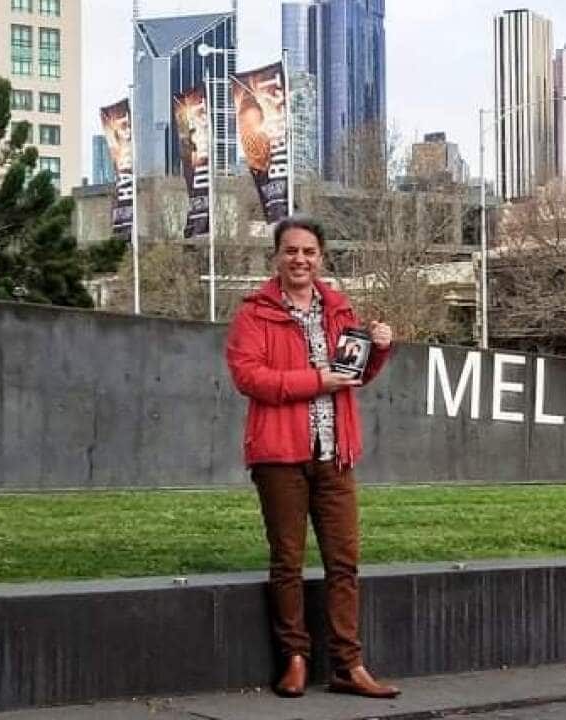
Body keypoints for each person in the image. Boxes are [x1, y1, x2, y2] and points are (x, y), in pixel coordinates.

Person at [225, 216, 398, 699]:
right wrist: (313, 382)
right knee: (288, 562)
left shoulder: (338, 310)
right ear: (277, 257)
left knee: (344, 563)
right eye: (290, 251)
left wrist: (380, 350)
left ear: (321, 257)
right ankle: (295, 660)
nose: (300, 259)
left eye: (309, 252)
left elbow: (352, 375)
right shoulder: (254, 314)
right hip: (279, 455)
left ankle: (348, 665)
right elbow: (249, 378)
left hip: (334, 454)